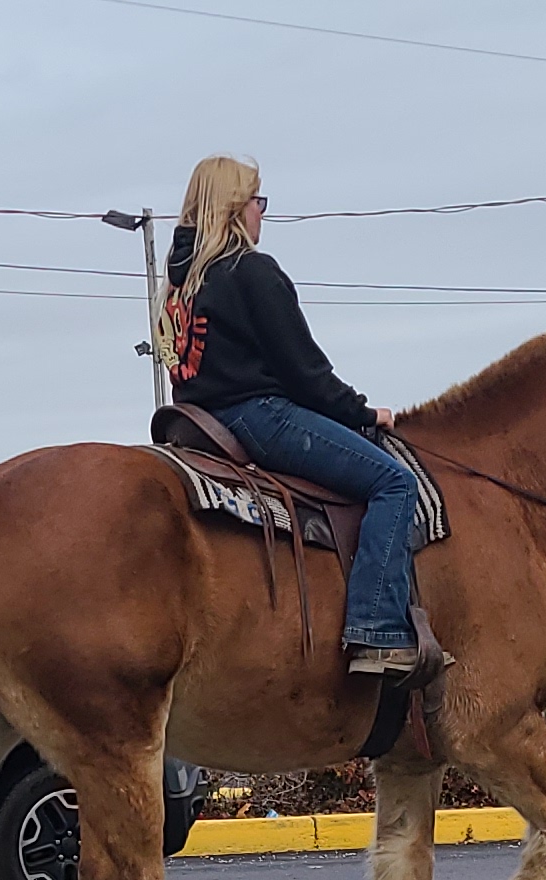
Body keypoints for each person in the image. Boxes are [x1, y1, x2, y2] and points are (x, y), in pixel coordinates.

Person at [158, 155, 427, 675]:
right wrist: (365, 414)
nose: (262, 212)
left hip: (198, 426)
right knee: (394, 483)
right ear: (236, 207)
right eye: (258, 201)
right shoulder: (250, 272)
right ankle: (376, 630)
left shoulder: (181, 286)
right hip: (259, 418)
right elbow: (305, 372)